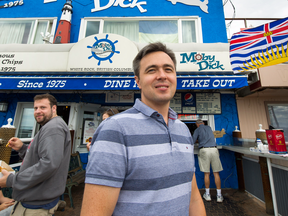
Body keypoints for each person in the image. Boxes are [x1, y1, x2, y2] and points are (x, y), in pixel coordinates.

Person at [81, 42, 206, 216]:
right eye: (152, 70)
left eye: (168, 69)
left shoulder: (183, 130)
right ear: (138, 81)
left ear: (175, 77)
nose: (162, 75)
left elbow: (193, 198)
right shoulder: (115, 129)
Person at [0, 93, 71, 215]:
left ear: (54, 108)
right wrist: (22, 148)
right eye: (35, 108)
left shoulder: (53, 128)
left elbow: (49, 164)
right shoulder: (51, 126)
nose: (38, 111)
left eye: (43, 107)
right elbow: (42, 157)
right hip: (37, 200)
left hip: (35, 206)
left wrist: (11, 180)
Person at [192, 119, 224, 203]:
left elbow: (192, 141)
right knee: (216, 172)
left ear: (197, 124)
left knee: (207, 173)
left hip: (204, 151)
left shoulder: (197, 129)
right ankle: (219, 196)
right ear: (203, 123)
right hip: (214, 150)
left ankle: (207, 195)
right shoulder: (209, 128)